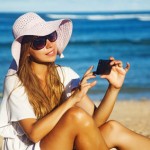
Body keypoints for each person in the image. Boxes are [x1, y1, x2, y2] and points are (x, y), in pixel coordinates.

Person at [0, 12, 149, 150]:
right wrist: (72, 100)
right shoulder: (14, 81)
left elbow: (95, 123)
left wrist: (114, 88)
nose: (49, 44)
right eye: (39, 42)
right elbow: (34, 134)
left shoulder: (64, 74)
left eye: (51, 36)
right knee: (74, 115)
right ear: (26, 51)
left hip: (61, 143)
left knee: (112, 129)